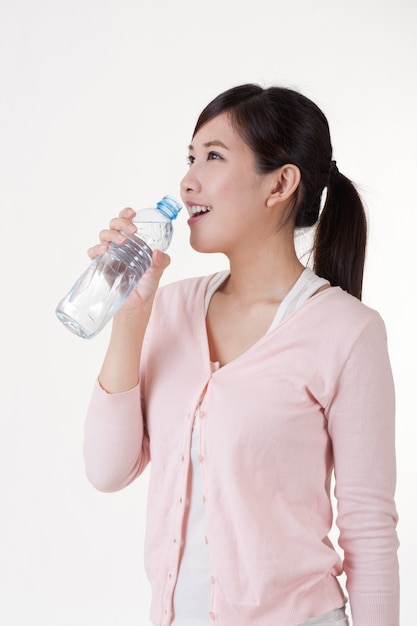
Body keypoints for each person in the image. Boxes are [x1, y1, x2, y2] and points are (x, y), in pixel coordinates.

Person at [83, 84, 399, 626]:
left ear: (280, 183)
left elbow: (369, 534)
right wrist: (131, 313)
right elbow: (108, 471)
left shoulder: (348, 332)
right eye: (189, 157)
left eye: (213, 156)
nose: (187, 181)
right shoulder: (172, 307)